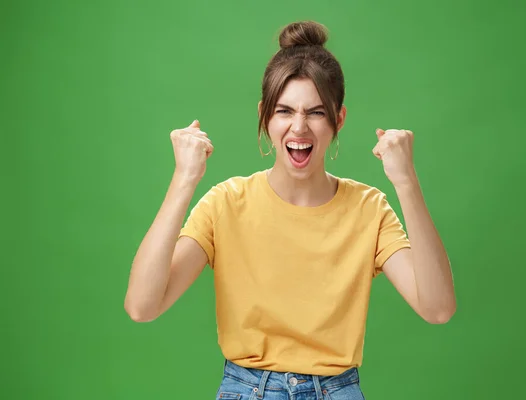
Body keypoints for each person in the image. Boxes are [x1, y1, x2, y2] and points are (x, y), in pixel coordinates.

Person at [124, 20, 456, 400]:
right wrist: (184, 180)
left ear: (339, 119)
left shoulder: (369, 209)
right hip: (245, 389)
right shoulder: (226, 202)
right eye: (284, 111)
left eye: (315, 112)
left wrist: (406, 183)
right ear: (265, 116)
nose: (299, 128)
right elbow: (142, 306)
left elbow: (438, 308)